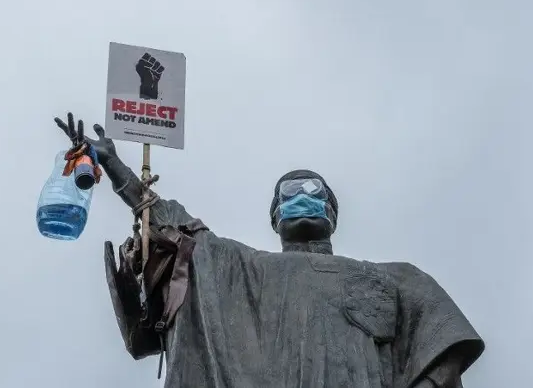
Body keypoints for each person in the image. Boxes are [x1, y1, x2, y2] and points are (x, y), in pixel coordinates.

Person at [56, 113, 485, 388]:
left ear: (332, 213)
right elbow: (180, 228)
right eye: (289, 193)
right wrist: (117, 170)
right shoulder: (247, 270)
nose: (301, 197)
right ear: (275, 217)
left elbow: (441, 354)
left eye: (313, 190)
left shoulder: (393, 277)